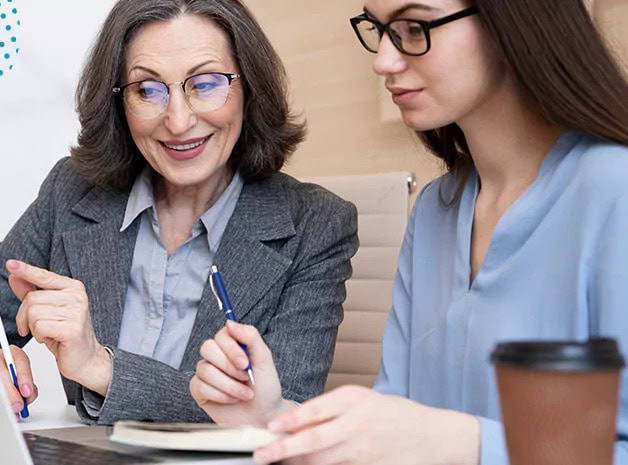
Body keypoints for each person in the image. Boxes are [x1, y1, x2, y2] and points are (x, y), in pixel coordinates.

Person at [190, 0, 628, 463]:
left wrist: (464, 443)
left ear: (515, 20)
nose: (384, 60)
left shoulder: (614, 192)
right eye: (378, 29)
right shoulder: (437, 212)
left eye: (415, 27)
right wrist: (273, 417)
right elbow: (394, 424)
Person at [0, 0, 358, 426]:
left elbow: (282, 417)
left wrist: (100, 367)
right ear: (119, 102)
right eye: (147, 90)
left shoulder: (316, 225)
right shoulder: (73, 190)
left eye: (205, 83)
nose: (177, 120)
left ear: (249, 87)